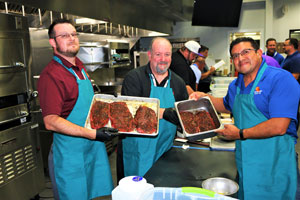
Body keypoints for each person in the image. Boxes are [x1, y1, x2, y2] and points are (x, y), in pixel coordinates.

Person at [190, 37, 300, 199]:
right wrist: (205, 98)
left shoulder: (280, 79)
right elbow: (227, 105)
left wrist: (239, 134)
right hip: (246, 160)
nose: (240, 58)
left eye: (245, 52)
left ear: (259, 53)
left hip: (275, 160)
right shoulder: (236, 84)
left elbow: (279, 126)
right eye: (235, 55)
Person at [37, 19, 118, 200]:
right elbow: (50, 121)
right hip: (70, 156)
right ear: (52, 42)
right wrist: (94, 134)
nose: (72, 39)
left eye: (74, 34)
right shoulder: (52, 75)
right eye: (64, 35)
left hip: (92, 151)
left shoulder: (79, 67)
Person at [117, 37, 188, 181]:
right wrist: (165, 113)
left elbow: (182, 118)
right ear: (150, 55)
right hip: (138, 150)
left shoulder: (178, 83)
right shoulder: (134, 78)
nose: (163, 59)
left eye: (167, 54)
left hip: (165, 148)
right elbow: (131, 115)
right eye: (158, 54)